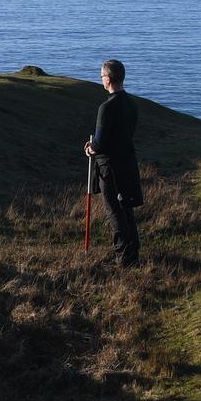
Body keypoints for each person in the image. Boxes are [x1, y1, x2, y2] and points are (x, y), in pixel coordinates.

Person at [83, 58, 142, 266]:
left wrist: (91, 149)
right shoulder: (131, 103)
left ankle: (123, 257)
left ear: (107, 79)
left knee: (114, 210)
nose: (100, 80)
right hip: (127, 162)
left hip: (110, 167)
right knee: (126, 208)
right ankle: (133, 254)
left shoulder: (106, 107)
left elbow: (99, 142)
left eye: (101, 76)